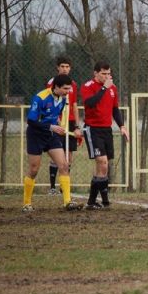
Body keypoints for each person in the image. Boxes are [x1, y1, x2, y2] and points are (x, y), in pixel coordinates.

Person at [22, 74, 82, 211]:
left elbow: (55, 115)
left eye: (69, 88)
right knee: (34, 169)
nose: (68, 91)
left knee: (64, 165)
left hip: (51, 135)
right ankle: (26, 203)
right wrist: (50, 126)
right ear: (56, 87)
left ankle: (67, 202)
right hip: (36, 135)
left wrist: (58, 125)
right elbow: (31, 120)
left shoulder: (63, 99)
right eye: (66, 89)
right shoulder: (40, 97)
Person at [81, 61, 129, 210]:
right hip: (92, 129)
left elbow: (115, 109)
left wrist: (121, 126)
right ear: (95, 73)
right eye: (104, 73)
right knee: (101, 162)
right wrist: (103, 88)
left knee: (104, 166)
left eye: (109, 73)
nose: (107, 76)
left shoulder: (112, 88)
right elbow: (90, 103)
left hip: (106, 130)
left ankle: (93, 202)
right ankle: (103, 201)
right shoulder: (88, 86)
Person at [46, 56, 82, 195]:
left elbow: (74, 105)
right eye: (62, 66)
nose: (65, 69)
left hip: (70, 121)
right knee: (56, 153)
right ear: (57, 67)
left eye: (67, 67)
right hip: (57, 121)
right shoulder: (52, 83)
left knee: (69, 155)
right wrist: (54, 121)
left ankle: (63, 187)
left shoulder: (73, 84)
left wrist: (77, 125)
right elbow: (50, 101)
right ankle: (52, 187)